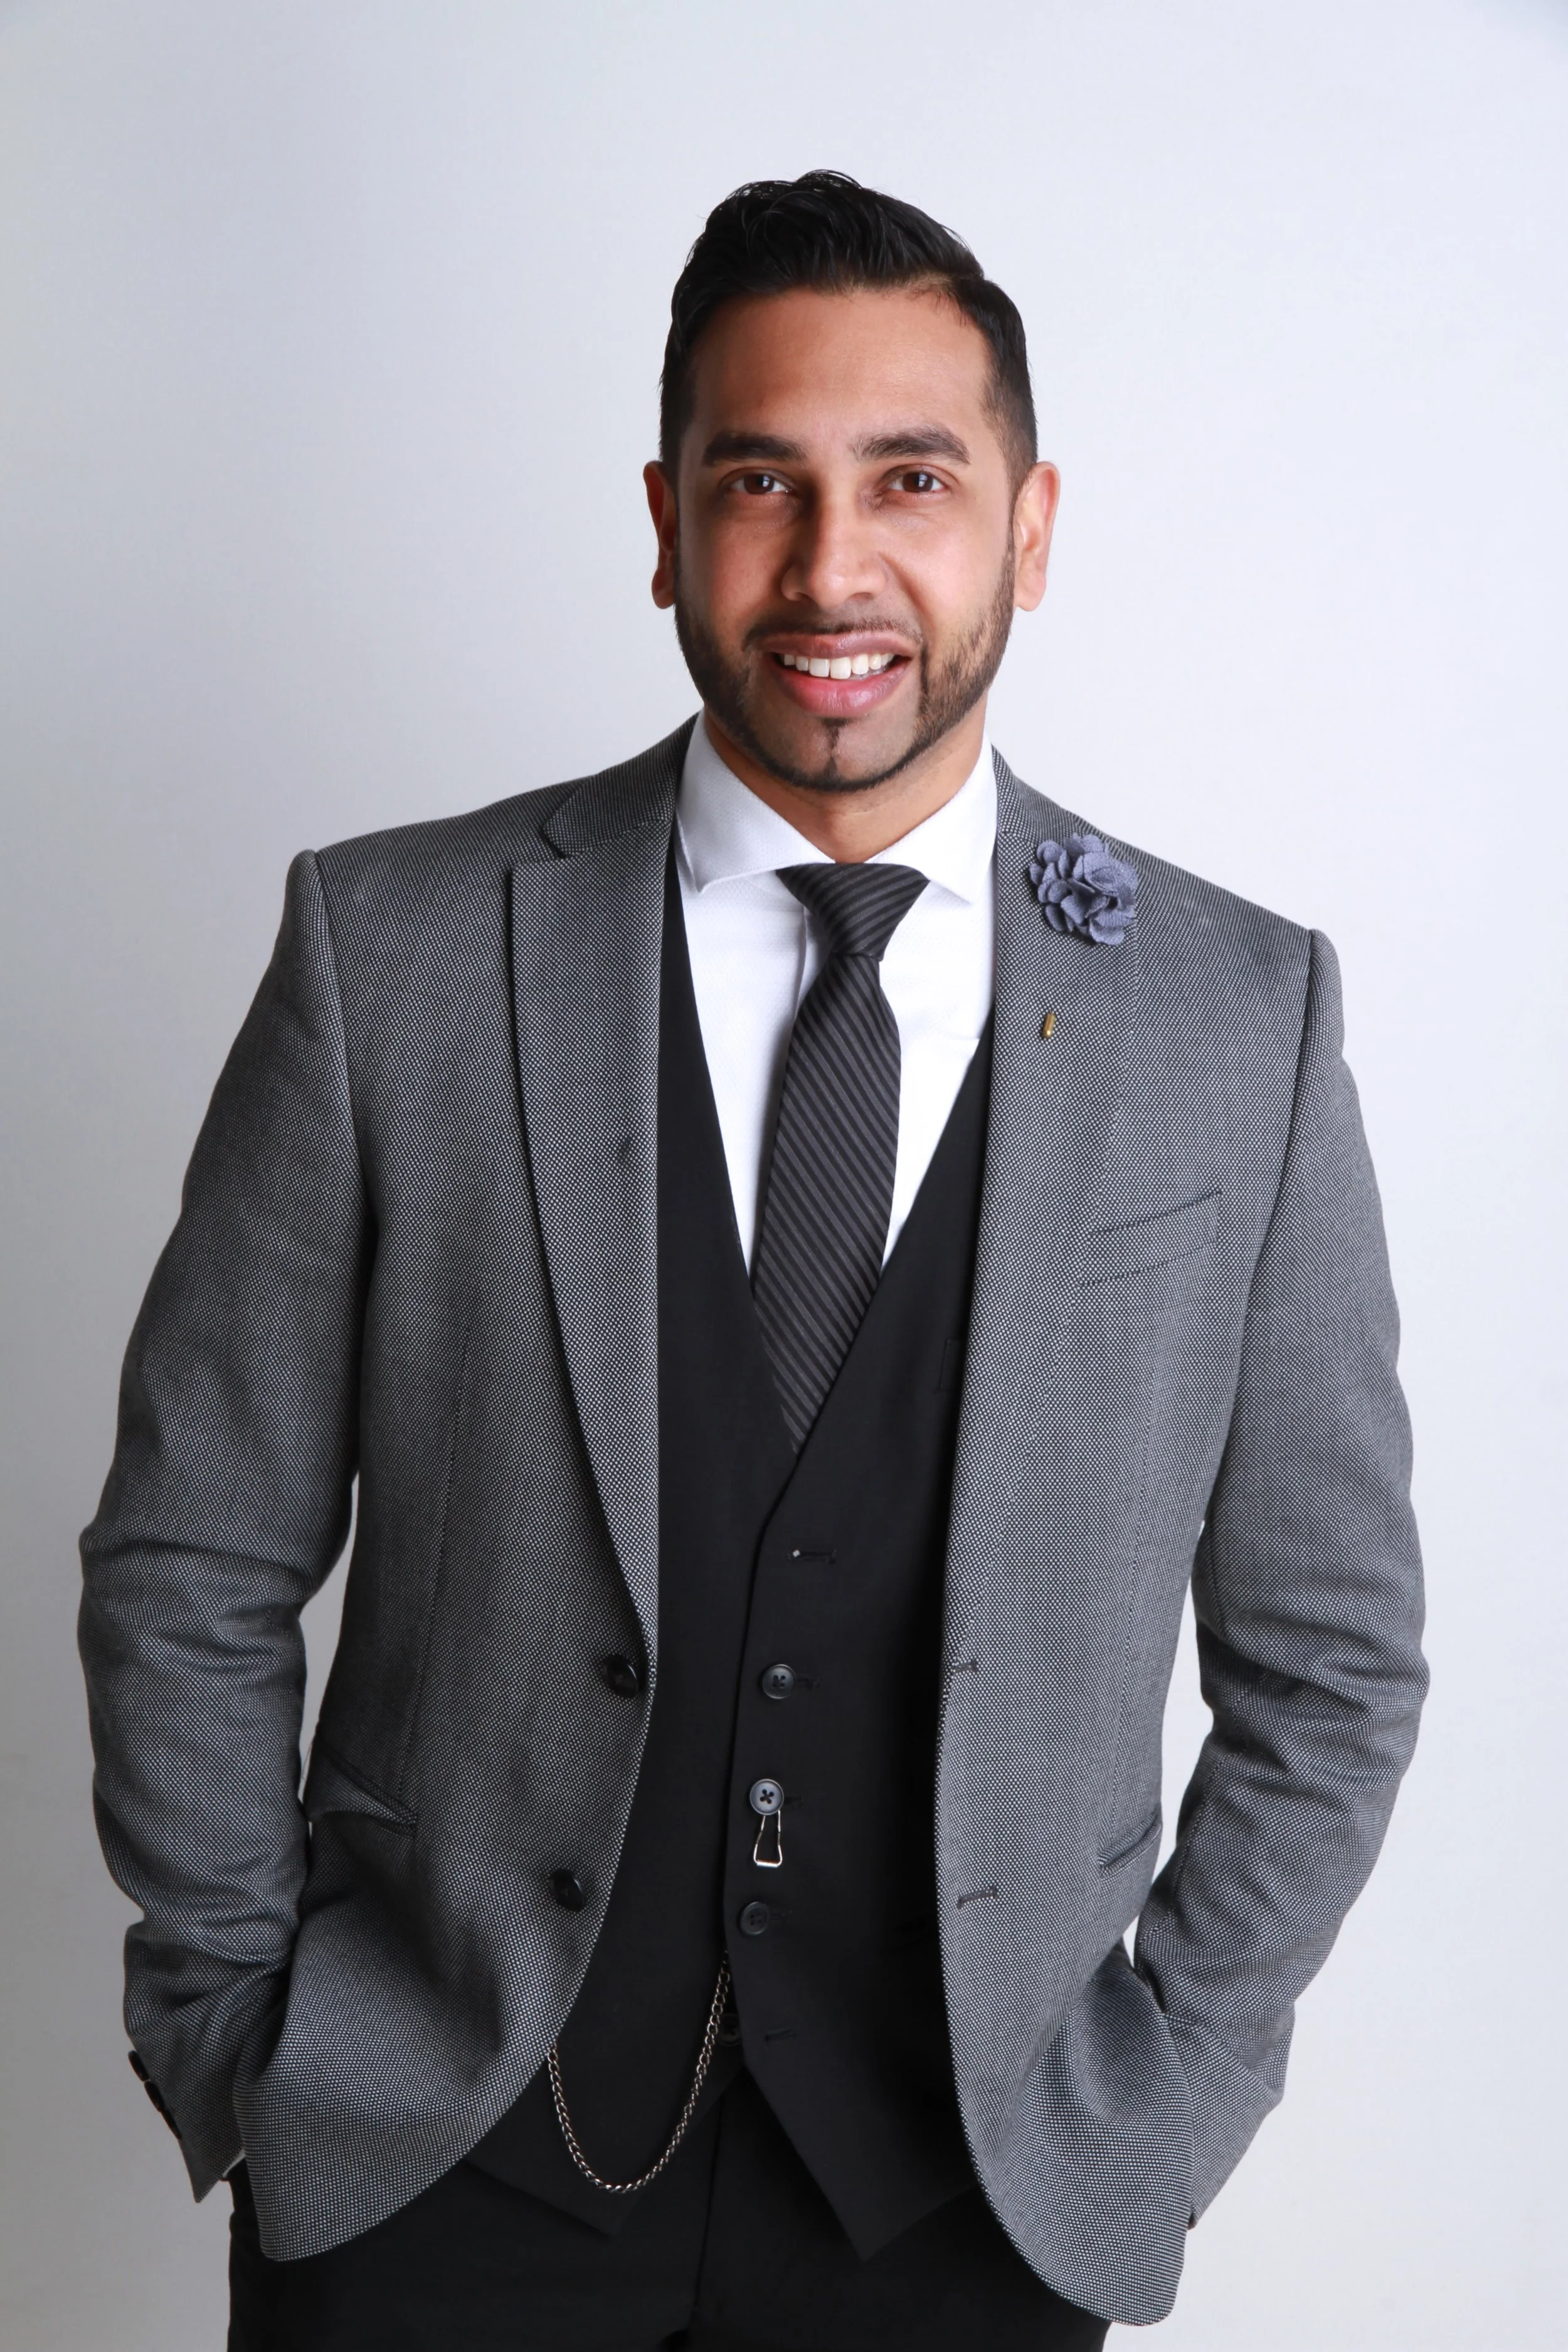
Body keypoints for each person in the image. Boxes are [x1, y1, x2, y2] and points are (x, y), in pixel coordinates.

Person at [79, 171, 1427, 2349]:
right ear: (664, 517)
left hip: (967, 2219)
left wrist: (1151, 2107)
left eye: (911, 479)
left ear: (1031, 522)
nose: (832, 568)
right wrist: (247, 2027)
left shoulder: (1233, 1021)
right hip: (435, 2178)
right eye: (758, 482)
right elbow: (191, 1555)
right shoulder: (395, 953)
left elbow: (1336, 1655)